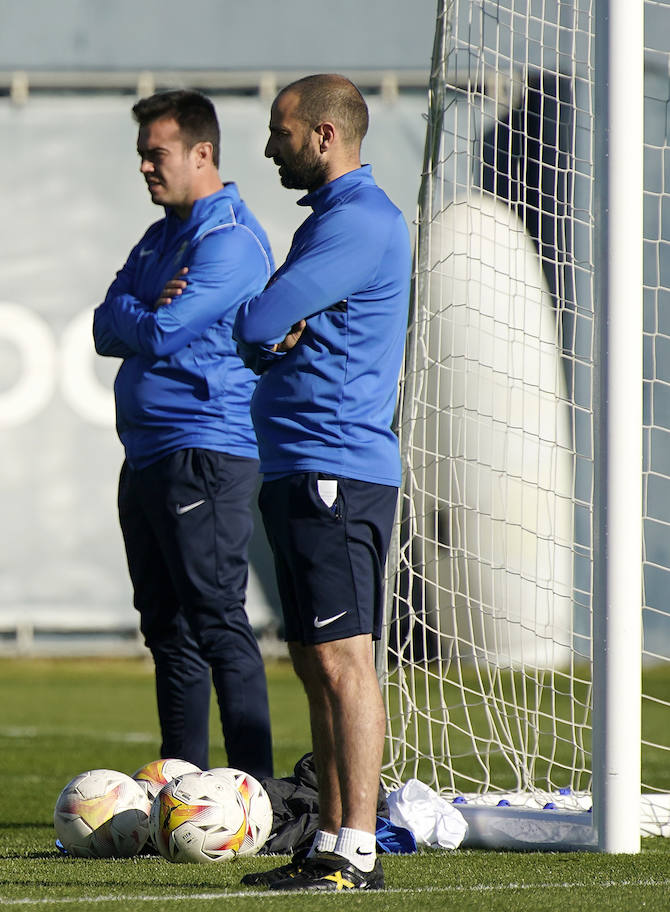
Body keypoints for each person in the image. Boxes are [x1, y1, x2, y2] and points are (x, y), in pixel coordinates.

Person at [233, 75, 410, 892]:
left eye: (283, 131)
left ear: (327, 135)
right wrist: (270, 333)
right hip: (302, 463)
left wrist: (267, 329)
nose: (271, 146)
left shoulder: (361, 223)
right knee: (314, 660)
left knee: (345, 660)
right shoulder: (330, 224)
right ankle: (329, 839)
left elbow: (260, 322)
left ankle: (359, 850)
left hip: (336, 467)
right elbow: (271, 330)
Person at [92, 90, 275, 780]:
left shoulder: (227, 241)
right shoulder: (160, 234)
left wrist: (135, 312)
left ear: (203, 154)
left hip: (205, 452)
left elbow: (161, 332)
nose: (144, 166)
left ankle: (256, 794)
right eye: (141, 154)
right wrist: (139, 308)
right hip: (145, 454)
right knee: (167, 629)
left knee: (217, 620)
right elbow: (104, 321)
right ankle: (185, 787)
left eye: (156, 153)